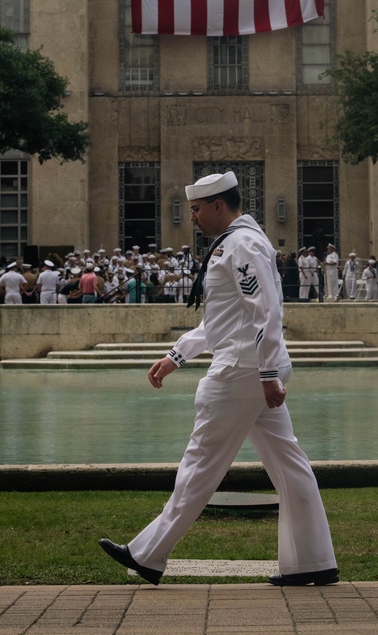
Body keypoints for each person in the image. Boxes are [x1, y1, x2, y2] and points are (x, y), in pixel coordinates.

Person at [98, 170, 337, 588]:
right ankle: (313, 562)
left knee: (199, 466)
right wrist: (179, 353)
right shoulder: (237, 242)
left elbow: (265, 312)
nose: (191, 217)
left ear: (218, 206)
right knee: (290, 466)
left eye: (195, 210)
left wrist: (265, 375)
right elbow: (227, 318)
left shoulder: (242, 244)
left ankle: (148, 555)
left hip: (240, 373)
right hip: (249, 369)